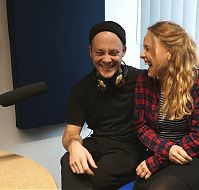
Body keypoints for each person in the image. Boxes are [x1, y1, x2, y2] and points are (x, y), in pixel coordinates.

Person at [60, 21, 146, 190]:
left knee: (99, 178)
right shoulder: (80, 89)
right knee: (67, 160)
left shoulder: (143, 80)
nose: (107, 59)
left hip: (130, 148)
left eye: (113, 53)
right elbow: (70, 133)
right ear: (90, 52)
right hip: (99, 142)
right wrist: (74, 145)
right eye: (100, 52)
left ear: (123, 51)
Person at [133, 21, 199, 190]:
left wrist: (158, 160)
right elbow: (140, 126)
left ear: (169, 52)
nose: (143, 55)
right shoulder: (144, 81)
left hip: (191, 159)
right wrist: (166, 150)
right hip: (158, 152)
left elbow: (198, 139)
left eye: (148, 49)